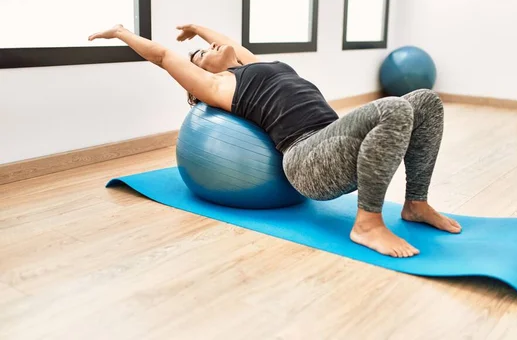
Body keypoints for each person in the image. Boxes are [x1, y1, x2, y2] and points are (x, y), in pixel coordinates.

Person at [89, 24, 462, 258]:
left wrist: (200, 29)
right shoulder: (219, 87)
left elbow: (228, 44)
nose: (209, 49)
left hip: (335, 144)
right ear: (200, 77)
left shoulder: (251, 66)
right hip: (306, 159)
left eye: (206, 47)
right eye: (201, 56)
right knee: (394, 108)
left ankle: (415, 203)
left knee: (425, 101)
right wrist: (122, 33)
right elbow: (164, 55)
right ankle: (366, 224)